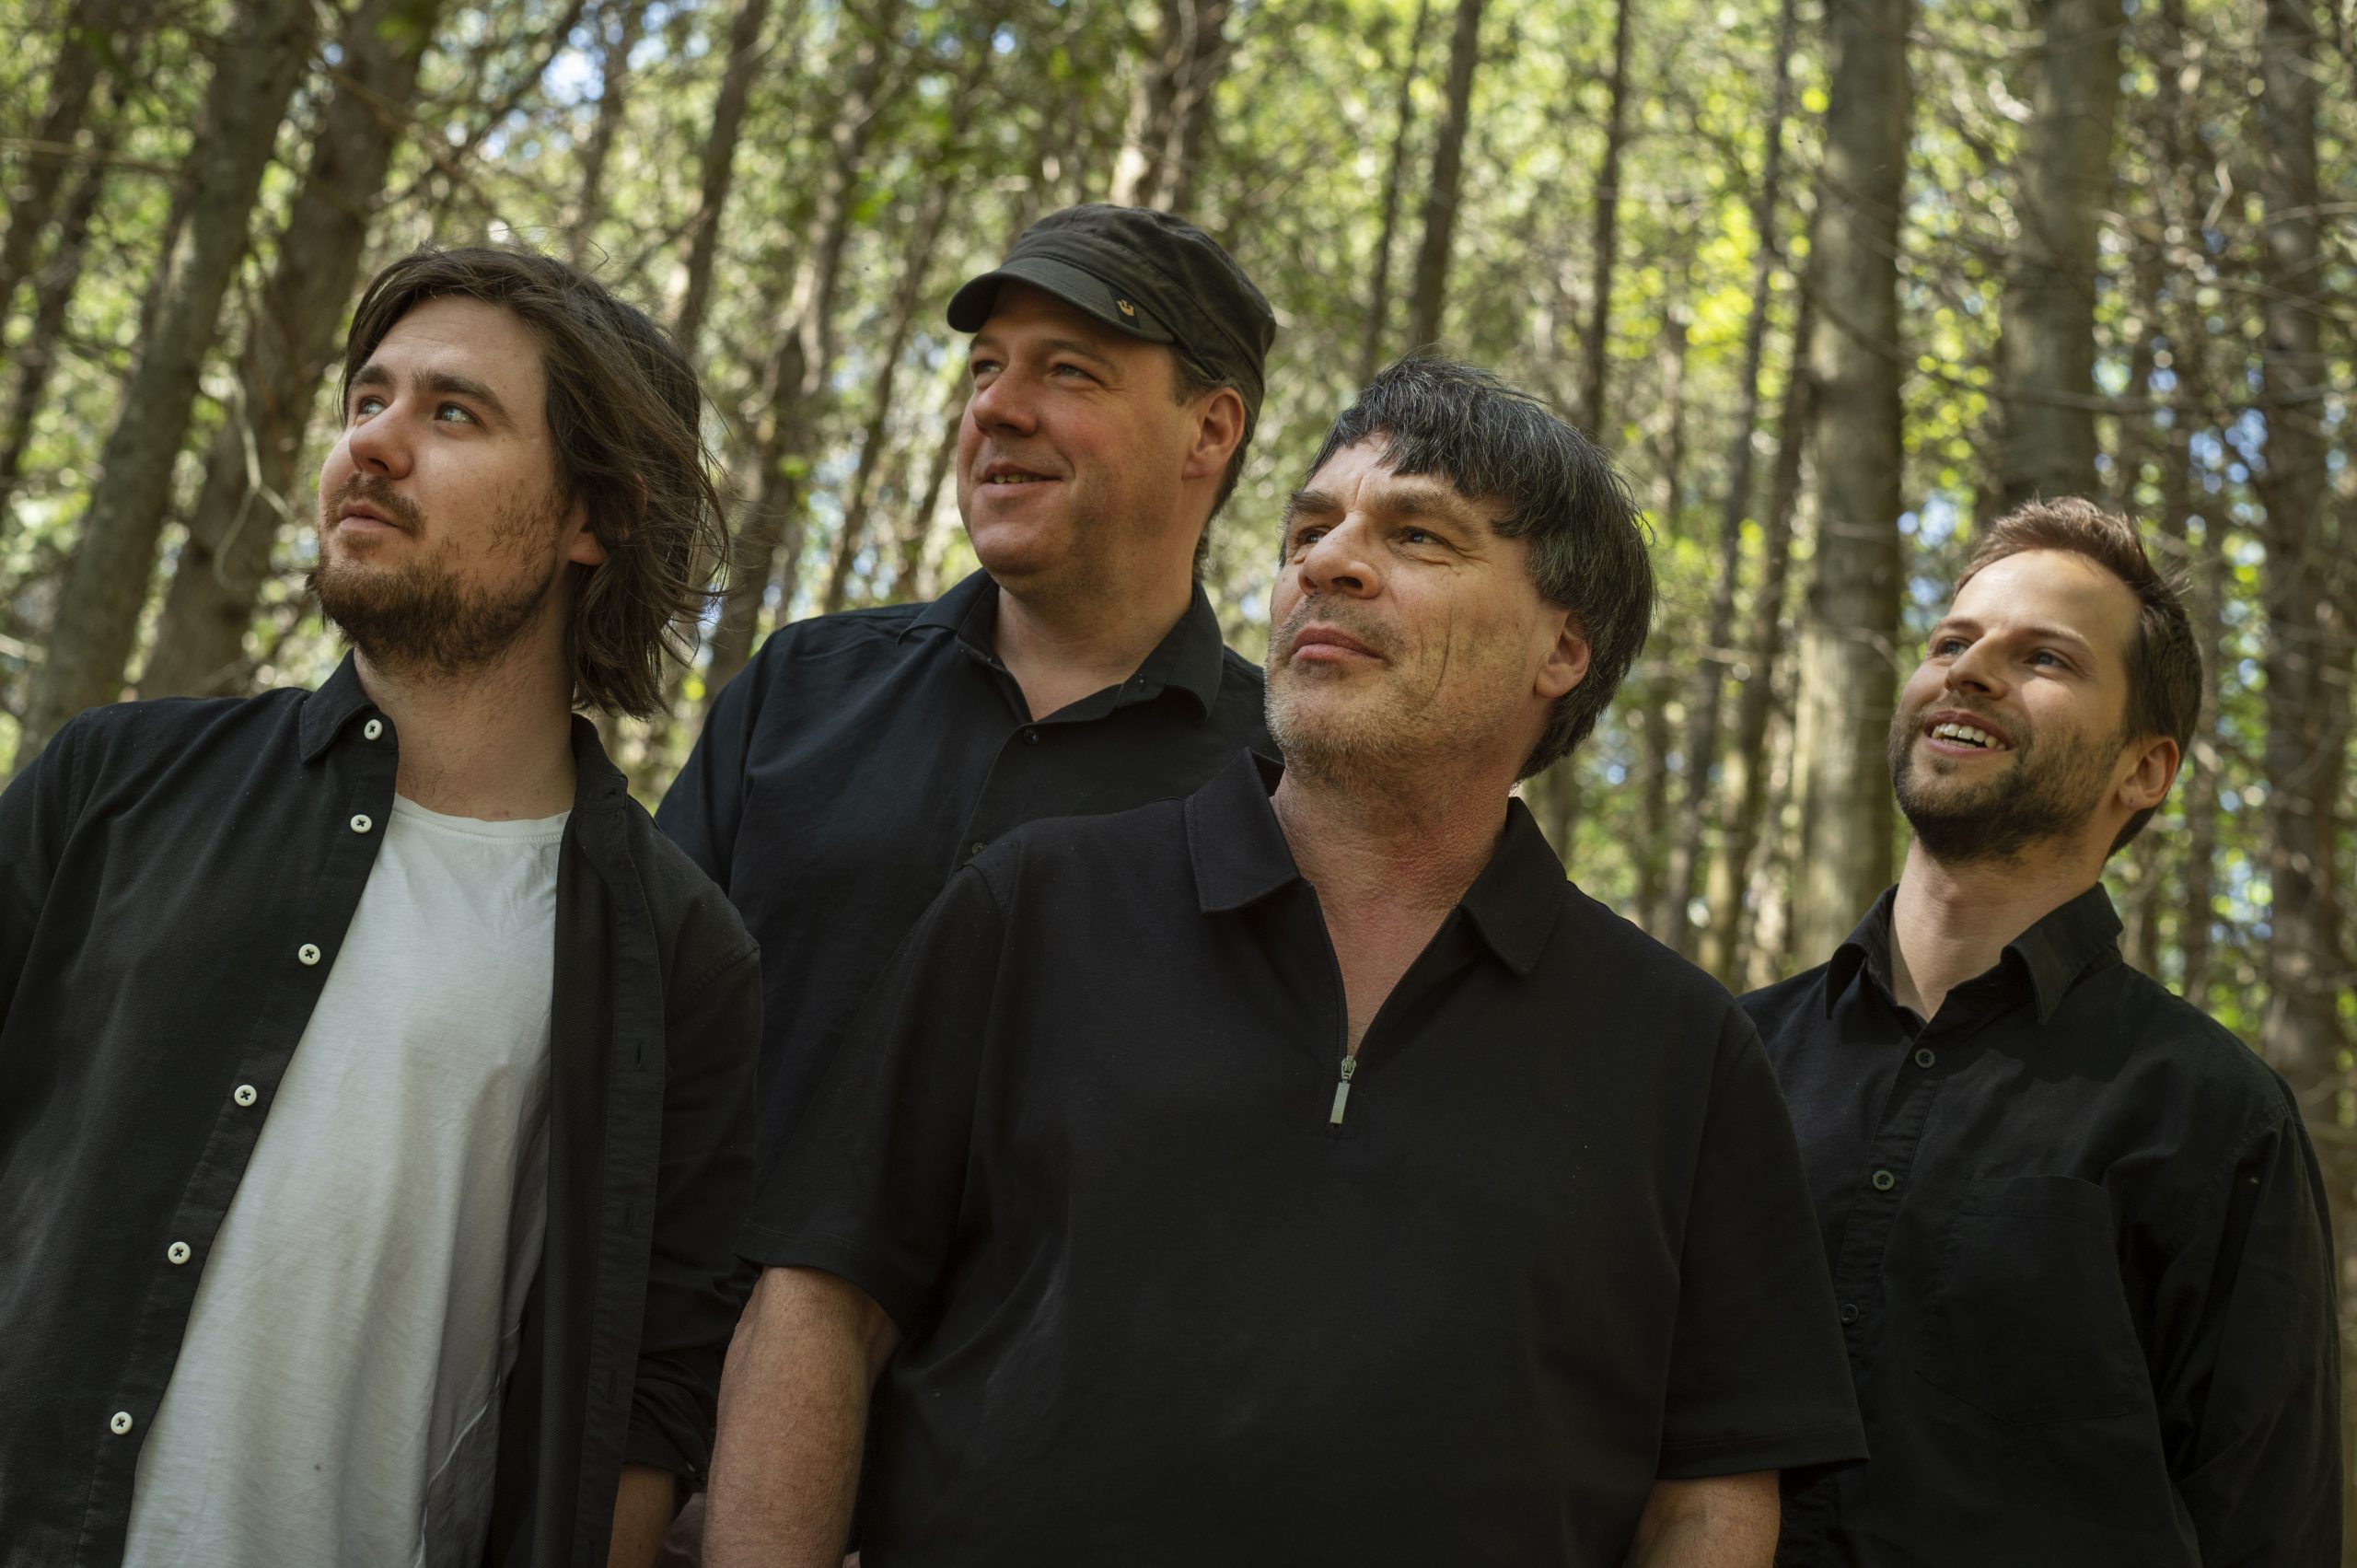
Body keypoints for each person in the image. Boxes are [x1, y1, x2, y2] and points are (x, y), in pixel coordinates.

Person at [703, 360, 1865, 1567]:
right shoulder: (1032, 904)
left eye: (1416, 534)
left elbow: (1710, 1491)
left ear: (1561, 646)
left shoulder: (1682, 1048)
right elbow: (819, 1307)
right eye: (1308, 529)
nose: (1329, 562)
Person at [0, 246, 761, 1568]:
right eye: (367, 400)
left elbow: (645, 1395)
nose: (374, 444)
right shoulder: (115, 786)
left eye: (452, 412)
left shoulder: (675, 953)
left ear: (594, 516)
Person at [1744, 497, 2341, 1564]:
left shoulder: (2213, 1115)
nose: (1969, 671)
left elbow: (2267, 1527)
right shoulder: (1732, 1057)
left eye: (2044, 658)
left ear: (2142, 769)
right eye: (1951, 642)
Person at [656, 203, 1277, 1219]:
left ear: (1208, 429)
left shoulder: (1281, 788)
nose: (997, 406)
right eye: (986, 367)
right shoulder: (801, 688)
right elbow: (630, 1027)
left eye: (1068, 370)